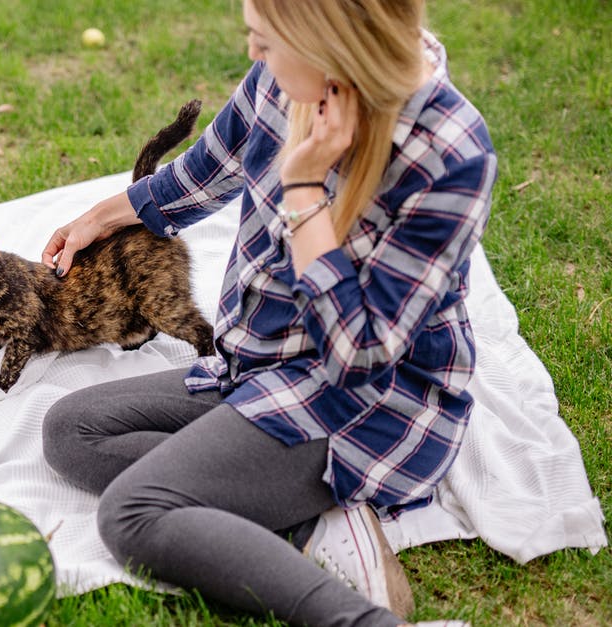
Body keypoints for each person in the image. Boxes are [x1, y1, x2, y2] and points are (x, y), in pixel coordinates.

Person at [40, 1, 494, 626]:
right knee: (71, 430)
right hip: (260, 362)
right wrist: (100, 218)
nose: (254, 56)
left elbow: (358, 354)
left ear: (327, 45)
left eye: (265, 42)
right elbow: (207, 170)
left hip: (365, 405)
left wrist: (303, 191)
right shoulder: (285, 82)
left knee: (134, 513)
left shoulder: (448, 151)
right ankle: (314, 522)